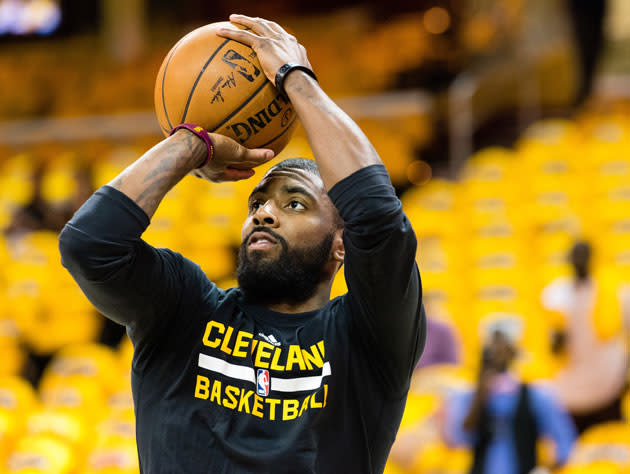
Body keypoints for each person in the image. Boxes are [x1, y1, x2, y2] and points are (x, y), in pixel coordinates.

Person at [58, 14, 426, 474]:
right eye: (257, 203)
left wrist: (297, 78)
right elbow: (89, 244)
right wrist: (191, 145)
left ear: (341, 245)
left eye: (295, 204)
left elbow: (378, 215)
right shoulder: (185, 310)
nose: (264, 213)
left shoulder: (366, 336)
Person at [444, 326, 576, 474]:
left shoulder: (535, 396)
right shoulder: (469, 396)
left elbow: (565, 441)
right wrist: (479, 398)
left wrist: (546, 468)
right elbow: (456, 437)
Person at [543, 241, 629, 433]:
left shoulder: (613, 292)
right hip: (570, 393)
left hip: (608, 386)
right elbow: (550, 348)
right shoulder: (555, 296)